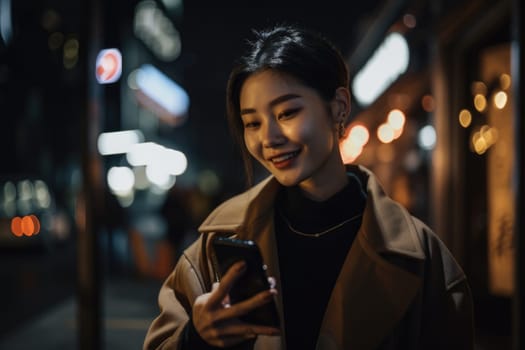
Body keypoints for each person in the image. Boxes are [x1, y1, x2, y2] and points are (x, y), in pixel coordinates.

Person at [143, 23, 474, 350]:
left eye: (287, 113)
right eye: (252, 123)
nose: (268, 138)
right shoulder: (216, 245)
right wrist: (196, 338)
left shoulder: (420, 258)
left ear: (339, 107)